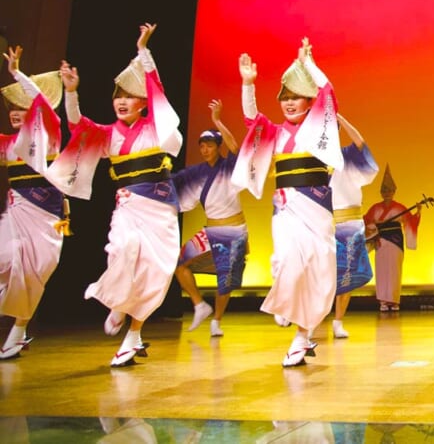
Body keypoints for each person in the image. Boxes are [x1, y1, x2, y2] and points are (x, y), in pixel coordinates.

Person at [50, 24, 183, 367]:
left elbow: (158, 91)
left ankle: (133, 334)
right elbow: (78, 125)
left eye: (129, 96)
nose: (122, 101)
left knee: (157, 270)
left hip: (161, 207)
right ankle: (117, 304)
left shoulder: (155, 128)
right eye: (117, 96)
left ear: (143, 104)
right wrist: (71, 92)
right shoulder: (107, 134)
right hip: (128, 207)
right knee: (124, 251)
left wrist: (144, 50)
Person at [231, 38, 343, 367]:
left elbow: (330, 94)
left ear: (310, 101)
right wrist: (248, 85)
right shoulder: (276, 132)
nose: (289, 104)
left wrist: (309, 65)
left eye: (296, 97)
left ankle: (302, 336)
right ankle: (289, 306)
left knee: (316, 269)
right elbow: (252, 121)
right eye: (285, 98)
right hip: (285, 210)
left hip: (317, 209)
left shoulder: (323, 128)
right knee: (288, 261)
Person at [0, 47, 65, 360]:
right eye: (12, 105)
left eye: (22, 106)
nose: (15, 110)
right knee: (6, 258)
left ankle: (19, 330)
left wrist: (16, 74)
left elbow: (40, 102)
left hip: (49, 214)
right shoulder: (7, 144)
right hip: (16, 213)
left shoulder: (49, 133)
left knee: (36, 273)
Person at [172, 100, 247, 338]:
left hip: (234, 229)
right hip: (211, 229)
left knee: (226, 281)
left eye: (210, 145)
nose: (205, 149)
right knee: (179, 263)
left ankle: (216, 320)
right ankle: (199, 304)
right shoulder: (197, 173)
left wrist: (217, 120)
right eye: (202, 145)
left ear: (218, 147)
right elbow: (178, 189)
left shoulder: (229, 166)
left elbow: (235, 146)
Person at [329, 115, 378, 338]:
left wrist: (341, 117)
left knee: (346, 273)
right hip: (321, 222)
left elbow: (361, 145)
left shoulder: (347, 156)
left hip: (348, 223)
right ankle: (308, 322)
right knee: (319, 275)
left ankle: (338, 321)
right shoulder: (311, 159)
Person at [362, 165, 418, 313]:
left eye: (389, 191)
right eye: (384, 191)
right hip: (380, 240)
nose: (387, 193)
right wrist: (374, 227)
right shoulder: (375, 208)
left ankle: (393, 301)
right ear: (381, 192)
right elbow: (366, 222)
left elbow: (409, 221)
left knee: (394, 270)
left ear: (394, 192)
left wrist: (417, 213)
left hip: (395, 241)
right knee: (382, 270)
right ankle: (383, 301)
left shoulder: (400, 207)